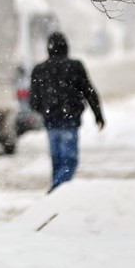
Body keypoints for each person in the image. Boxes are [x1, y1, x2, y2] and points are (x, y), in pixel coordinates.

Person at [30, 31, 105, 192]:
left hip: (51, 121)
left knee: (56, 161)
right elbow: (89, 91)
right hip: (69, 120)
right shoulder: (75, 67)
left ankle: (56, 193)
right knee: (69, 161)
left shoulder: (39, 69)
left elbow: (33, 101)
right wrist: (98, 115)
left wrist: (45, 110)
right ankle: (57, 189)